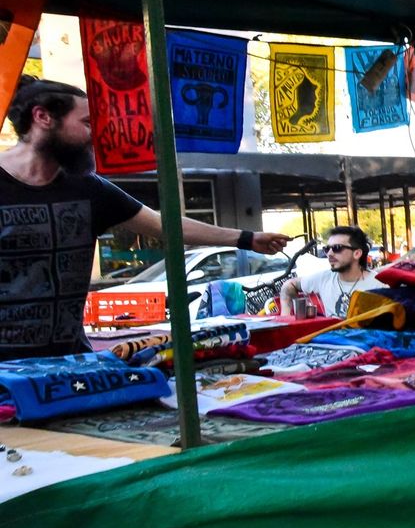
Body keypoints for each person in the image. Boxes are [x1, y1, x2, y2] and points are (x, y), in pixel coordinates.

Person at [0, 77, 288, 361]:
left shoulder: (90, 189)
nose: (94, 134)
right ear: (43, 118)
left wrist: (247, 238)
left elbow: (167, 226)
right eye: (86, 122)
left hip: (70, 363)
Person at [278, 225, 384, 318]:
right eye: (327, 249)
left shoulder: (379, 285)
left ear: (357, 253)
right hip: (331, 339)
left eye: (337, 248)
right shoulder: (324, 278)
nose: (329, 253)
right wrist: (286, 317)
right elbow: (289, 285)